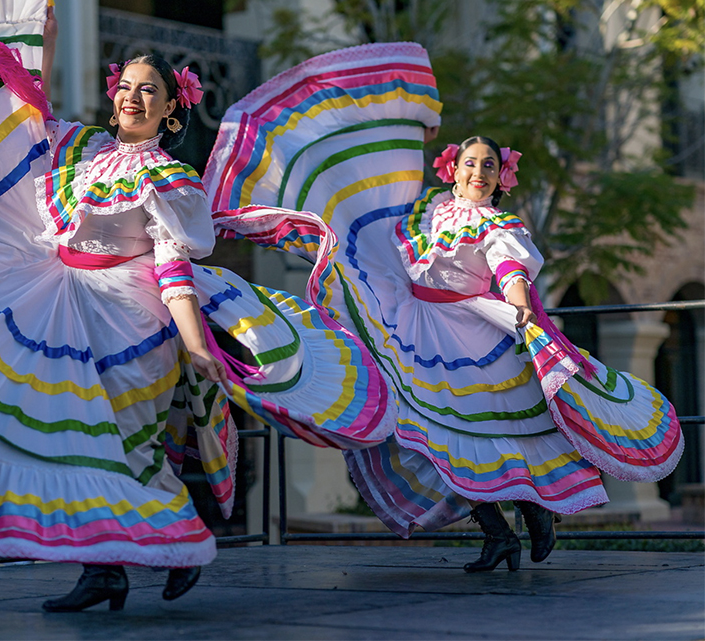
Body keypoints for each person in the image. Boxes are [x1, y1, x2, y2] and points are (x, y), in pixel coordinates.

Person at [0, 0, 392, 610]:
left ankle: (171, 543)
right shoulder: (83, 156)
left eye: (150, 91)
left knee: (123, 451)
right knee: (74, 440)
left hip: (130, 319)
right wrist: (43, 36)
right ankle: (107, 567)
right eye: (127, 86)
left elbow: (172, 262)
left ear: (170, 112)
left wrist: (195, 342)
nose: (133, 97)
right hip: (62, 300)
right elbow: (32, 122)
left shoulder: (166, 176)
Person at [206, 48, 684, 573]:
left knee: (492, 435)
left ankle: (535, 509)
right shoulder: (430, 207)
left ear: (502, 176)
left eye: (490, 166)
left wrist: (521, 306)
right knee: (435, 439)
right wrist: (414, 131)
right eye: (471, 163)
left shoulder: (500, 225)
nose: (479, 172)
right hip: (416, 327)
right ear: (453, 170)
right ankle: (498, 532)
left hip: (475, 337)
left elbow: (511, 271)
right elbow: (387, 214)